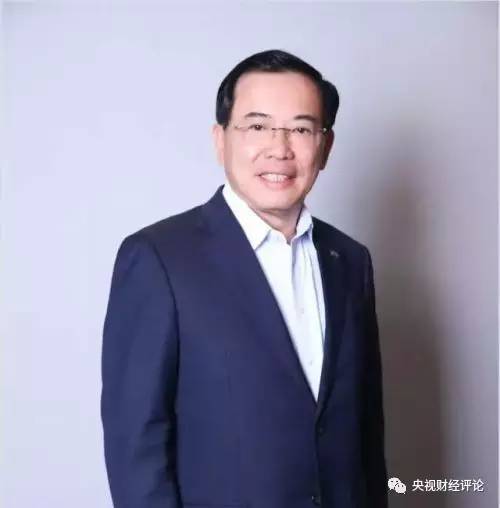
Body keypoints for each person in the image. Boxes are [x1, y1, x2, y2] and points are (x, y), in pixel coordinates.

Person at [101, 49, 388, 508]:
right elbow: (137, 448)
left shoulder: (350, 262)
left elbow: (365, 434)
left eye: (301, 129)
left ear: (326, 146)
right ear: (220, 140)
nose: (280, 148)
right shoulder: (159, 259)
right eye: (257, 127)